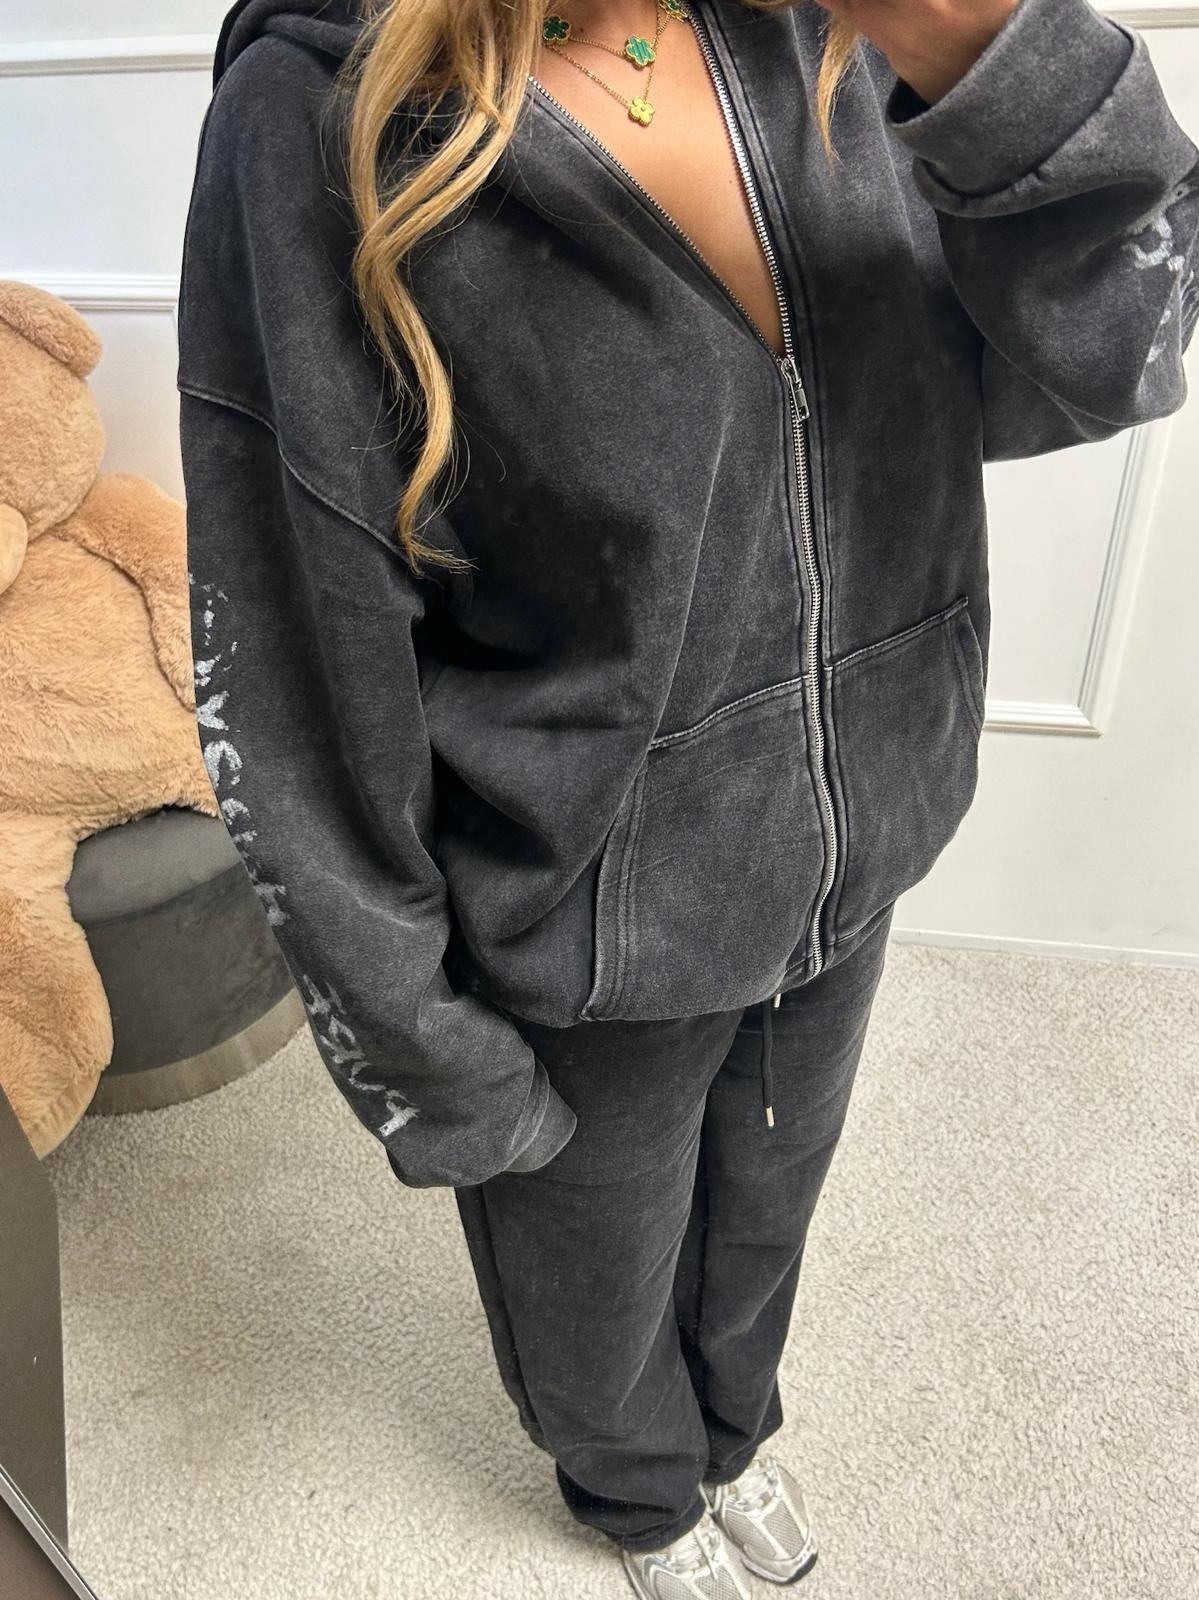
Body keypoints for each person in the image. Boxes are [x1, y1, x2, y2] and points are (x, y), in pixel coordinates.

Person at [176, 0, 1198, 1593]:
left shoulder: (848, 38)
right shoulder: (322, 101)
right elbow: (296, 654)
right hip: (587, 905)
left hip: (857, 832)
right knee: (590, 1273)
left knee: (769, 1198)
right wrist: (423, 1050)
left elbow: (1110, 362)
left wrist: (994, 63)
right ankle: (638, 1494)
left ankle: (730, 1434)